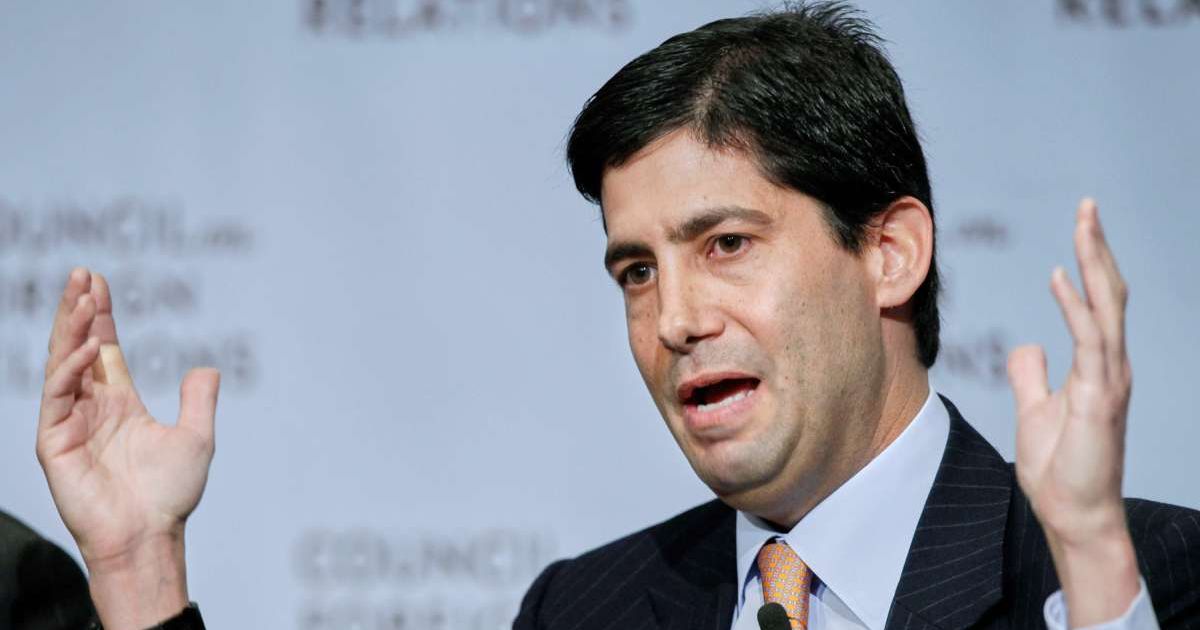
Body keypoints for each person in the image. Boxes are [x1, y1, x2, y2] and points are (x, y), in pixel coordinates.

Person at [33, 2, 1200, 629]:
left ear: (888, 252)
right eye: (635, 271)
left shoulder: (1141, 571)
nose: (676, 317)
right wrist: (141, 578)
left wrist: (1091, 565)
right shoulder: (582, 611)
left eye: (725, 245)